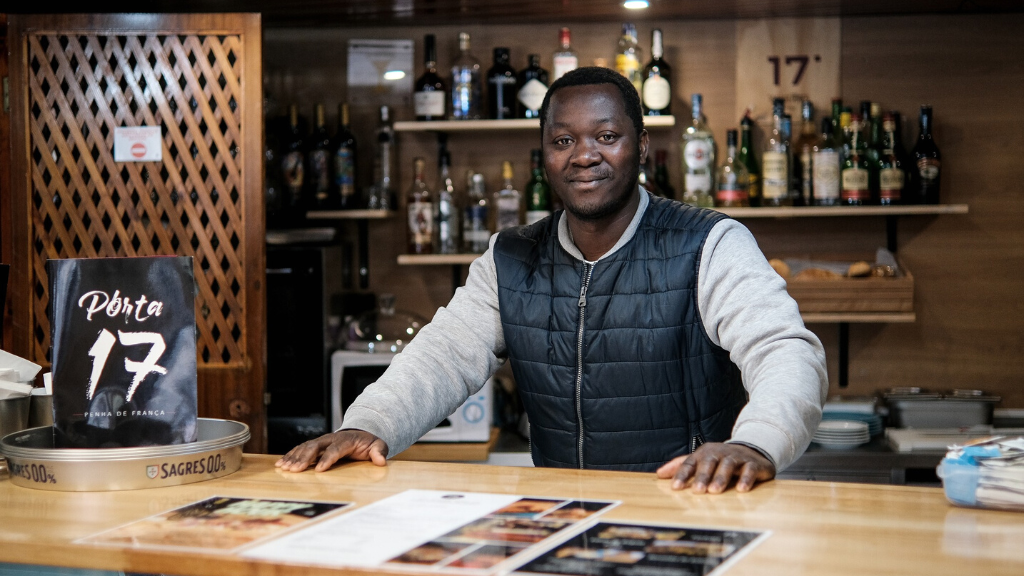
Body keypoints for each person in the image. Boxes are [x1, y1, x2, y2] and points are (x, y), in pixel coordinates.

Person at [277, 67, 827, 494]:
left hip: (687, 503)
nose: (585, 155)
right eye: (563, 141)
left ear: (639, 144)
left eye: (607, 135)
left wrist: (756, 443)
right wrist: (369, 424)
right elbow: (443, 354)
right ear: (544, 154)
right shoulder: (511, 257)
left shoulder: (709, 243)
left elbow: (783, 350)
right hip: (564, 519)